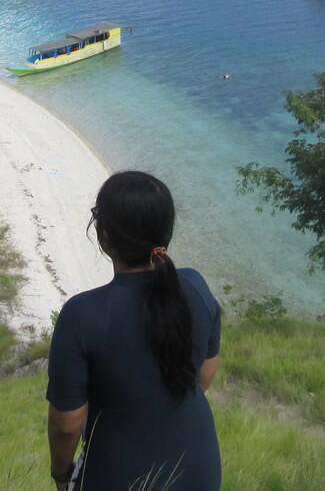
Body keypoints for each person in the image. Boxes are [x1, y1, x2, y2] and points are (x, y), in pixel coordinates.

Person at [46, 171, 221, 491]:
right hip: (199, 468)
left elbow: (67, 424)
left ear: (104, 235)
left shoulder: (82, 314)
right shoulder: (195, 286)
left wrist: (61, 475)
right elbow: (205, 373)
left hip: (119, 476)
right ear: (165, 233)